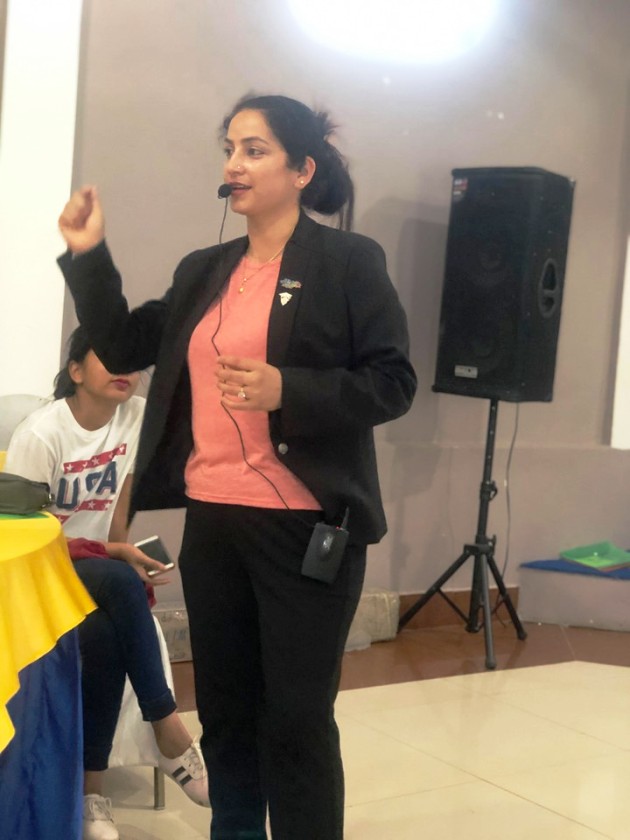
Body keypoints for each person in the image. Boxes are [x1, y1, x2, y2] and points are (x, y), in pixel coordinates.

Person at [57, 93, 417, 840]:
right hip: (215, 521)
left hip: (305, 528)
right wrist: (89, 256)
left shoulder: (348, 262)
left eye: (255, 150)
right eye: (230, 148)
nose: (235, 164)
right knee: (225, 714)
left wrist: (291, 389)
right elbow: (121, 345)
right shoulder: (205, 270)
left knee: (296, 720)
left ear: (302, 169)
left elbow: (393, 384)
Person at [5, 327, 209, 840]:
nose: (126, 370)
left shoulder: (135, 418)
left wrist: (122, 553)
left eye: (133, 361)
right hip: (41, 569)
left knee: (106, 627)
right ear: (75, 371)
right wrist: (115, 558)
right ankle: (168, 728)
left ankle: (91, 792)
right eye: (110, 357)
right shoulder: (40, 435)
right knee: (117, 582)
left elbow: (118, 512)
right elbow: (26, 537)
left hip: (98, 575)